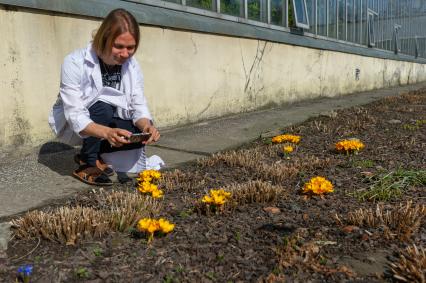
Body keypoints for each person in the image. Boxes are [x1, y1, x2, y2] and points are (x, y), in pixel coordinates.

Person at [48, 9, 160, 186]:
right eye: (119, 46)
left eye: (131, 47)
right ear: (104, 39)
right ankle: (87, 161)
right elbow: (75, 114)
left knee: (136, 137)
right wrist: (107, 133)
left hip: (107, 122)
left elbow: (138, 103)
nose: (125, 54)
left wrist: (147, 125)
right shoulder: (75, 62)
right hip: (80, 122)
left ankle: (98, 153)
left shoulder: (132, 65)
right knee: (103, 106)